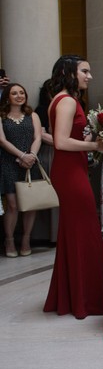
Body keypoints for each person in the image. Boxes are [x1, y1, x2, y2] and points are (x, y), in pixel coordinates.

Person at [43, 55, 103, 319]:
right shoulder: (67, 101)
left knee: (76, 232)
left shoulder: (64, 100)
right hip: (69, 172)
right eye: (85, 71)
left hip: (73, 169)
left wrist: (90, 136)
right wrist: (96, 145)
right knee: (83, 231)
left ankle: (73, 296)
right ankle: (85, 298)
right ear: (68, 72)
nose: (89, 76)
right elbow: (60, 142)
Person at [0, 83, 43, 257]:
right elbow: (2, 140)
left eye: (21, 92)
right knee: (13, 205)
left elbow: (38, 136)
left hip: (30, 163)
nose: (19, 96)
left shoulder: (32, 115)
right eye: (14, 93)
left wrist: (31, 155)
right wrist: (21, 155)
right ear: (7, 97)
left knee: (30, 204)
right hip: (9, 163)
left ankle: (26, 238)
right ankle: (9, 240)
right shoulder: (1, 117)